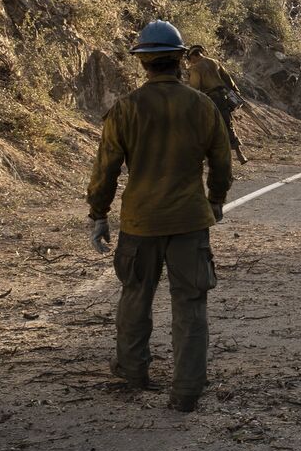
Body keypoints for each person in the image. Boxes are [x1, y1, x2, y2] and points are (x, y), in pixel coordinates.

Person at [86, 20, 231, 413]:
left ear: (143, 62)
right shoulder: (202, 106)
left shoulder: (126, 108)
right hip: (189, 221)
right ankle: (186, 389)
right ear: (181, 59)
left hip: (140, 222)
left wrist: (98, 214)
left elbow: (106, 169)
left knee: (136, 295)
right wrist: (216, 199)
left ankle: (133, 370)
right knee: (191, 303)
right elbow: (221, 160)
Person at [185, 44, 248, 164]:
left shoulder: (195, 68)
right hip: (222, 98)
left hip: (209, 100)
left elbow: (195, 88)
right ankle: (240, 155)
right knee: (228, 125)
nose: (190, 62)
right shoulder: (214, 62)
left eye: (190, 59)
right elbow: (227, 79)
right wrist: (236, 93)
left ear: (193, 56)